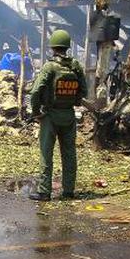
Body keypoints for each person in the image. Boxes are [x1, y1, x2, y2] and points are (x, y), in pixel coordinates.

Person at [28, 30, 87, 201]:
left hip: (50, 115)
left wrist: (35, 112)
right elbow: (83, 90)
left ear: (53, 47)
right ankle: (68, 191)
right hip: (69, 115)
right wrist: (73, 101)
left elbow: (35, 92)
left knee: (46, 154)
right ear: (67, 47)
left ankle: (44, 191)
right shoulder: (75, 66)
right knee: (69, 154)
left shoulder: (50, 66)